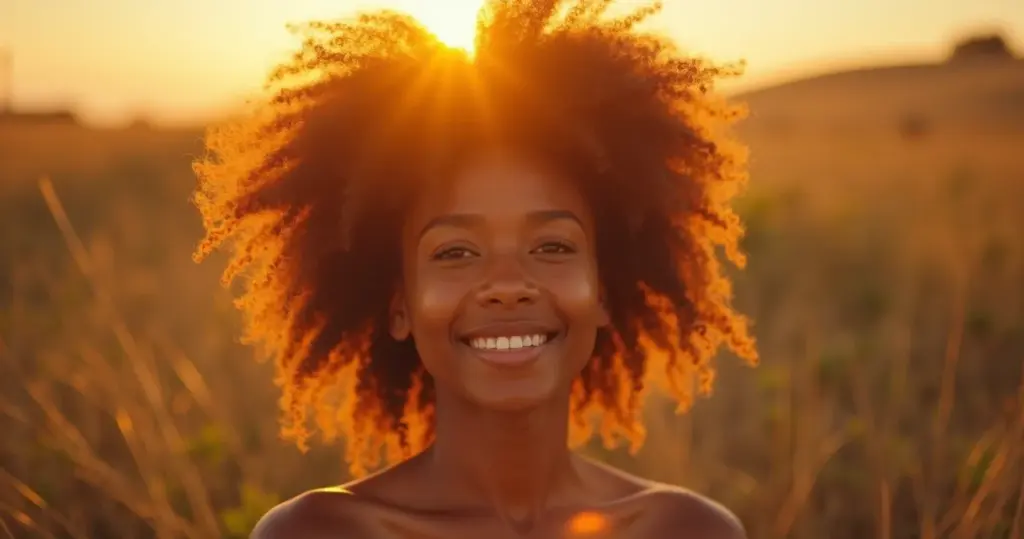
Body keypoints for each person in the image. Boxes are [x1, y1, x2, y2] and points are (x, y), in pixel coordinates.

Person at [193, 0, 758, 537]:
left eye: (553, 247)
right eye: (455, 252)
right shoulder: (320, 534)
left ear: (603, 291)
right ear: (400, 304)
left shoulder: (687, 531)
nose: (508, 286)